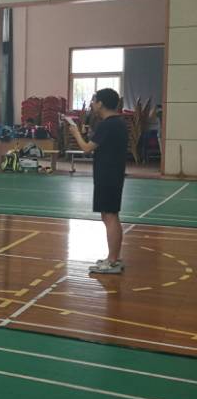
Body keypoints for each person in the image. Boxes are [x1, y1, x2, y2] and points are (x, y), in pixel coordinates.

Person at [65, 88, 128, 275]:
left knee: (110, 216)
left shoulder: (107, 125)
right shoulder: (118, 123)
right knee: (110, 216)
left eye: (94, 101)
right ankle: (114, 257)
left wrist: (76, 133)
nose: (92, 104)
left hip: (107, 175)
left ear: (101, 103)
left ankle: (113, 261)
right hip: (112, 174)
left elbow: (86, 148)